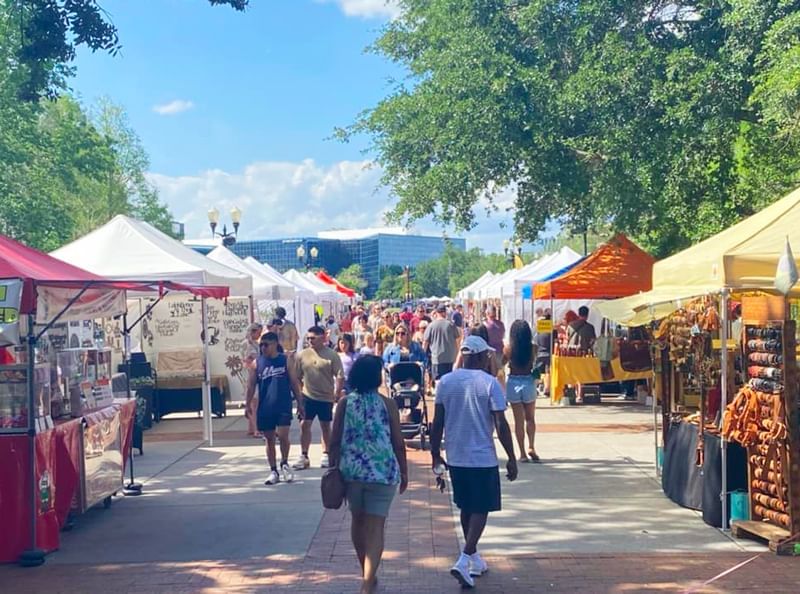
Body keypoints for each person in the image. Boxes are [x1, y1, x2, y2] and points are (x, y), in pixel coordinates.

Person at [431, 335, 517, 588]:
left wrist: (435, 453)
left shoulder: (445, 382)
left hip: (456, 455)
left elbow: (438, 422)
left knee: (466, 506)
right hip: (481, 456)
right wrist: (511, 457)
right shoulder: (490, 384)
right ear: (479, 356)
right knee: (481, 507)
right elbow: (500, 424)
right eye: (486, 355)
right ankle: (464, 556)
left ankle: (474, 557)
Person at [329, 355, 408, 594]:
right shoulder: (388, 404)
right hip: (382, 472)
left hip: (352, 472)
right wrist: (404, 471)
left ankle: (367, 572)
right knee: (376, 526)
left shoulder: (345, 403)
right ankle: (367, 580)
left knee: (357, 521)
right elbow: (398, 440)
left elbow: (334, 440)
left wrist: (334, 468)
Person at [245, 332, 302, 485]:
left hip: (283, 405)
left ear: (275, 344)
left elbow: (294, 383)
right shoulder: (257, 363)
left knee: (283, 436)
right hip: (265, 407)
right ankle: (273, 470)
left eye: (266, 345)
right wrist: (247, 404)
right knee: (269, 439)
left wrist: (300, 403)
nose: (263, 348)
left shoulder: (285, 361)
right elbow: (251, 385)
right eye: (261, 345)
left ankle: (284, 463)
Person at [292, 326, 345, 470]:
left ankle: (326, 453)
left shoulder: (332, 355)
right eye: (308, 338)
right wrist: (300, 393)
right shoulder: (302, 355)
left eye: (313, 338)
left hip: (326, 397)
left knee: (325, 426)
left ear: (323, 338)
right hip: (307, 396)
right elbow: (296, 376)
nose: (310, 341)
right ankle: (304, 455)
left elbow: (339, 375)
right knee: (304, 425)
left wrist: (337, 392)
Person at [505, 320, 539, 462]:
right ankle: (531, 446)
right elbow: (534, 362)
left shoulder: (508, 348)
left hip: (513, 381)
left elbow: (502, 363)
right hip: (528, 381)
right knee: (530, 418)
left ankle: (522, 453)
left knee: (518, 421)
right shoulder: (533, 348)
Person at [423, 304, 460, 381]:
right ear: (445, 313)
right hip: (450, 358)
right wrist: (457, 354)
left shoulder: (431, 326)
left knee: (438, 382)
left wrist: (423, 357)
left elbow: (425, 343)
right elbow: (458, 341)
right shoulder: (451, 325)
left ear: (436, 312)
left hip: (437, 359)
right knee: (450, 382)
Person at [244, 322, 264, 437]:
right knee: (254, 403)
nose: (259, 335)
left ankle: (251, 427)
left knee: (253, 402)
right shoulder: (248, 345)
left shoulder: (255, 344)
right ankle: (256, 429)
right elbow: (249, 359)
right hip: (251, 374)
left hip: (254, 373)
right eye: (258, 333)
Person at [483, 304, 506, 373]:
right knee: (500, 373)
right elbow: (503, 335)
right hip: (500, 351)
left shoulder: (485, 325)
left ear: (487, 313)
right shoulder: (501, 324)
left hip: (489, 353)